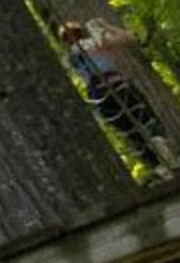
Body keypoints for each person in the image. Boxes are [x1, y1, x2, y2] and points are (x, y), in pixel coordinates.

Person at [59, 16, 171, 171]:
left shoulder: (69, 58)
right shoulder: (90, 44)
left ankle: (157, 164)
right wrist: (105, 26)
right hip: (113, 84)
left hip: (98, 94)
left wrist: (103, 28)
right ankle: (157, 142)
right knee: (144, 115)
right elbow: (129, 38)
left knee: (129, 130)